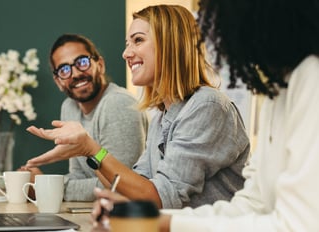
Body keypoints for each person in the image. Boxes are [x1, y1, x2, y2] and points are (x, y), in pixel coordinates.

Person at [93, 1, 319, 231]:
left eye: (138, 40)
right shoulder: (278, 91)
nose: (217, 33)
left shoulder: (310, 79)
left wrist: (92, 150)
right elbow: (252, 203)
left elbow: (297, 225)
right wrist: (158, 221)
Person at [25, 5, 250, 209]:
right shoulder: (162, 117)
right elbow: (133, 187)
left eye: (138, 40)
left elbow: (160, 197)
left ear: (169, 43)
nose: (126, 53)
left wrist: (91, 149)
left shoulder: (207, 105)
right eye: (127, 44)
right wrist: (87, 153)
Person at [21, 34, 148, 201]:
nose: (75, 74)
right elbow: (78, 175)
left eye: (81, 62)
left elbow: (120, 186)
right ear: (58, 81)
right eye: (64, 69)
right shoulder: (69, 107)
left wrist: (46, 187)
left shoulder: (118, 103)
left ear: (100, 65)